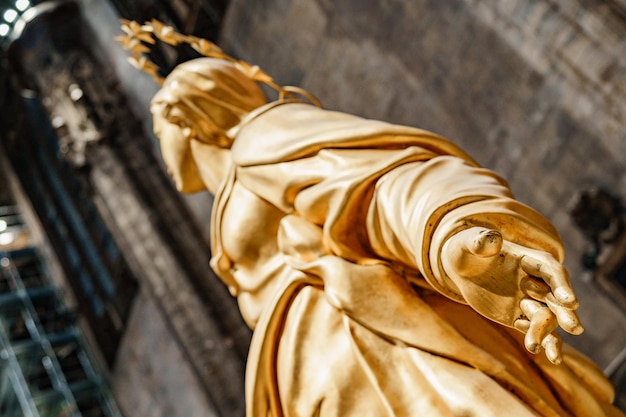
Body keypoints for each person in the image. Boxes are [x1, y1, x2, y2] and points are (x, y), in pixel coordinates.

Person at [150, 57, 624, 417]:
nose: (160, 148)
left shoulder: (261, 138)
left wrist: (447, 235)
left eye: (158, 129)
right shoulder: (227, 202)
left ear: (183, 115)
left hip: (373, 346)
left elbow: (377, 188)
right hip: (310, 378)